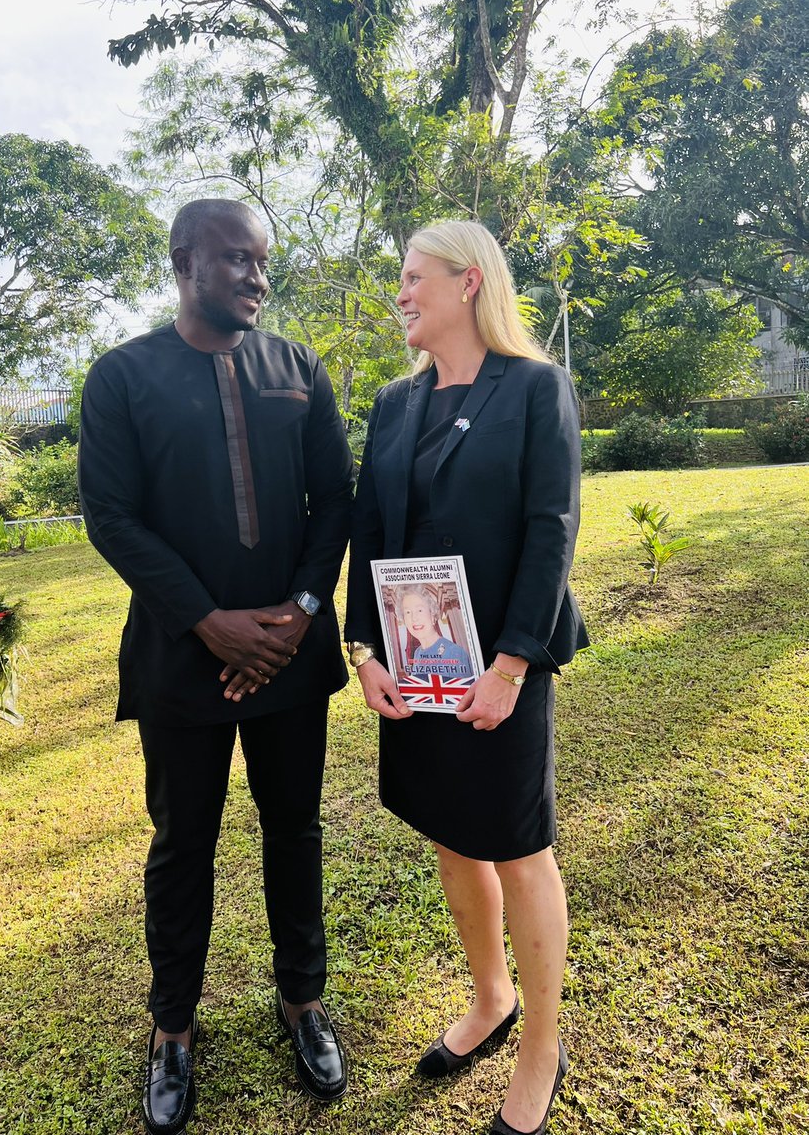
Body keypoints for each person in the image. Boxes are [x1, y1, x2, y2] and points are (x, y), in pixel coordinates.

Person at [78, 199, 353, 1134]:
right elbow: (111, 516)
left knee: (296, 831)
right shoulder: (123, 376)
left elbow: (335, 501)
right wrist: (207, 621)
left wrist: (297, 615)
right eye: (236, 259)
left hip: (290, 659)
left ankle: (302, 1002)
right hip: (180, 661)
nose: (256, 277)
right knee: (180, 844)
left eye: (263, 262)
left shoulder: (297, 368)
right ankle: (172, 1030)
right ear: (183, 259)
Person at [345, 220, 588, 1135]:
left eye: (413, 277)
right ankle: (492, 999)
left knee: (519, 846)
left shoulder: (535, 388)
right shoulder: (393, 403)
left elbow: (550, 528)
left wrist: (513, 664)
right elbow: (370, 531)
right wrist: (364, 652)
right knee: (453, 832)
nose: (400, 292)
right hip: (416, 669)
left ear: (469, 282)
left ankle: (541, 1045)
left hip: (501, 671)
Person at [398, 586, 473, 678]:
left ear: (432, 615)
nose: (414, 618)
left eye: (420, 610)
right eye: (408, 612)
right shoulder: (417, 653)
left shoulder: (455, 653)